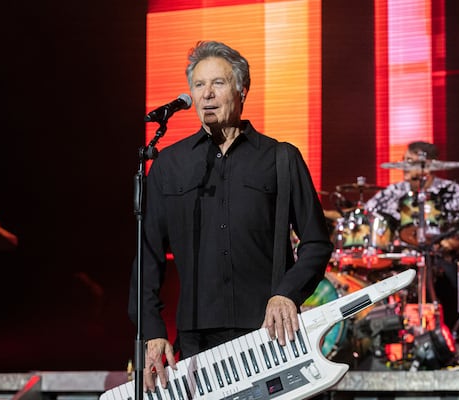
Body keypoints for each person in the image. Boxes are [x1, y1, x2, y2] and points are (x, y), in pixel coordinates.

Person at [128, 40, 334, 393]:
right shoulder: (169, 165)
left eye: (218, 83)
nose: (206, 94)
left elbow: (316, 243)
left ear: (242, 89)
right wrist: (153, 332)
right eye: (199, 85)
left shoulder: (281, 158)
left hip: (268, 335)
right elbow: (147, 257)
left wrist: (287, 293)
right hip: (195, 344)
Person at [365, 141, 459, 330]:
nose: (403, 165)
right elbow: (368, 214)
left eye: (409, 160)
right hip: (401, 257)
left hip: (440, 256)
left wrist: (447, 244)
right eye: (404, 159)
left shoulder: (450, 190)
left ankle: (447, 334)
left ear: (428, 165)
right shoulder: (393, 191)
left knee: (448, 278)